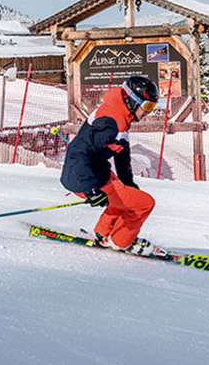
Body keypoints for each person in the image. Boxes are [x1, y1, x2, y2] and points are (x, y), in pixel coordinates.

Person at [60, 75, 161, 256]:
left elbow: (122, 153)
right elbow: (77, 151)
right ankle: (121, 241)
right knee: (145, 204)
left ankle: (102, 234)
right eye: (147, 106)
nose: (148, 112)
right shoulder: (110, 122)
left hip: (96, 173)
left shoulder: (121, 115)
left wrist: (128, 183)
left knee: (123, 201)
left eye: (152, 107)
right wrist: (90, 189)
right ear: (132, 101)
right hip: (83, 177)